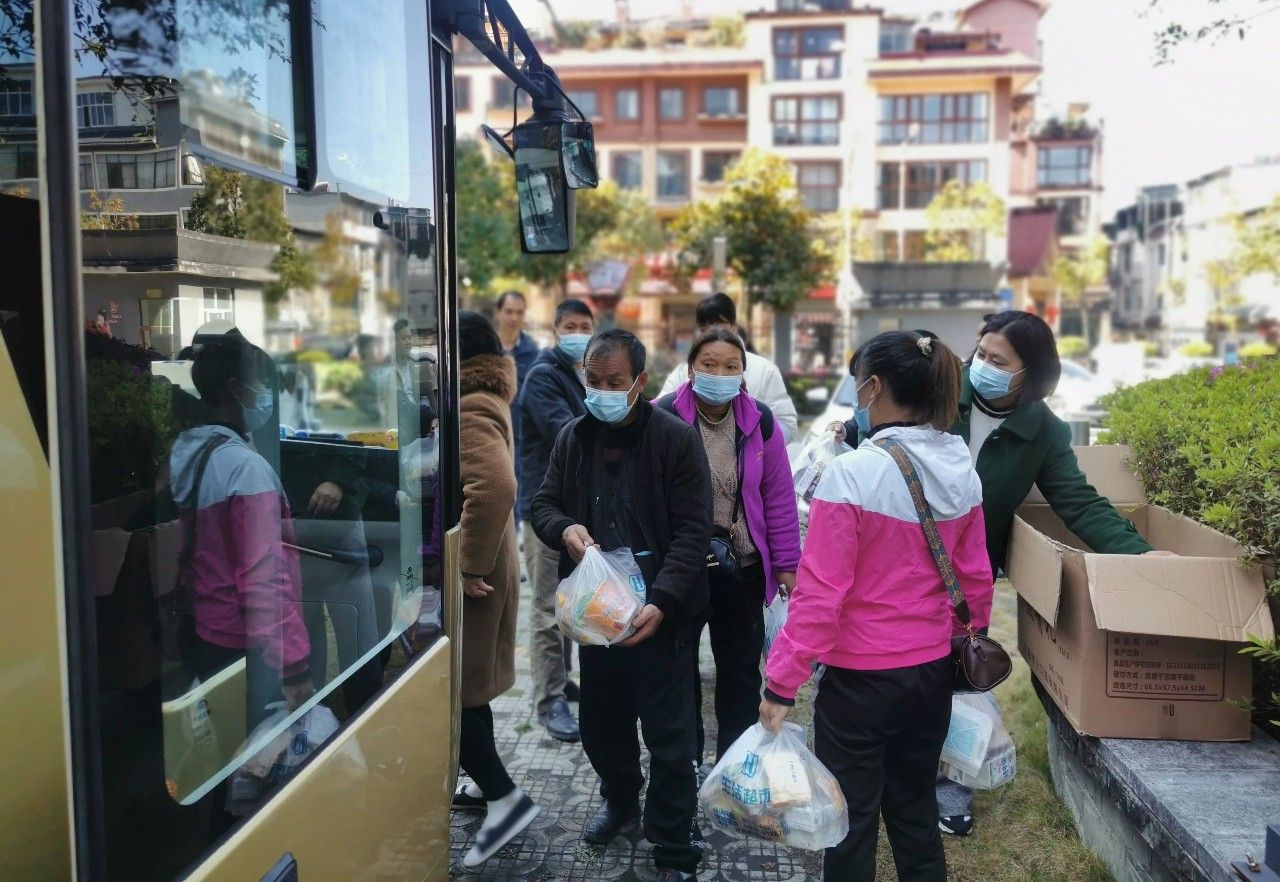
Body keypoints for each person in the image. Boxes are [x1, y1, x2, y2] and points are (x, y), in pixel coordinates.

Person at [831, 311, 1162, 836]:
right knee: (890, 677)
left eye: (998, 361)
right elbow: (882, 427)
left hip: (967, 575)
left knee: (960, 679)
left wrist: (1143, 560)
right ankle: (883, 777)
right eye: (980, 353)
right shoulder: (942, 389)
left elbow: (1078, 502)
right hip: (897, 562)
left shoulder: (1043, 431)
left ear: (1030, 373)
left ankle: (951, 785)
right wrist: (849, 431)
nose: (981, 365)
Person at [760, 331, 993, 882]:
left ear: (874, 387)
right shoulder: (962, 468)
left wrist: (781, 684)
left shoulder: (852, 474)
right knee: (915, 812)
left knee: (851, 822)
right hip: (930, 673)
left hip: (859, 683)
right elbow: (976, 581)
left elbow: (820, 595)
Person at [531, 329, 712, 882]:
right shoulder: (573, 438)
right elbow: (543, 504)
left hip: (661, 614)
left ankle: (673, 841)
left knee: (671, 736)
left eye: (615, 382)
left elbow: (693, 531)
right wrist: (565, 529)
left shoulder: (676, 440)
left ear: (640, 383)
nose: (603, 392)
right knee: (602, 727)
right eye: (594, 381)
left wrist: (663, 600)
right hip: (597, 614)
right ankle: (620, 798)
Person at [654, 327, 801, 762]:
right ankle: (685, 764)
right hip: (681, 568)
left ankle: (734, 766)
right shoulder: (661, 417)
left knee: (740, 674)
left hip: (743, 567)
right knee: (679, 672)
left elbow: (778, 496)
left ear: (743, 373)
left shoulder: (760, 421)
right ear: (690, 369)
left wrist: (788, 564)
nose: (720, 374)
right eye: (709, 364)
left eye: (731, 366)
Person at [169, 335, 313, 729]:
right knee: (259, 751)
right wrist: (294, 666)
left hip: (205, 629)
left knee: (224, 741)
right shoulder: (244, 468)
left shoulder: (186, 450)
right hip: (246, 645)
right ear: (236, 389)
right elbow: (263, 577)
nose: (269, 395)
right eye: (263, 383)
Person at [451, 311, 540, 867]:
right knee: (471, 685)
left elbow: (495, 485)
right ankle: (487, 785)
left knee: (457, 692)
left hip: (478, 575)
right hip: (491, 562)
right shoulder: (485, 396)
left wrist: (467, 567)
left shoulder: (468, 406)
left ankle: (506, 798)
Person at [515, 298, 594, 744]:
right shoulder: (543, 376)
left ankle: (562, 680)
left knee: (567, 600)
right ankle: (549, 701)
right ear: (556, 329)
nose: (578, 333)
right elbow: (569, 432)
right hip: (543, 510)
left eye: (585, 326)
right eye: (571, 326)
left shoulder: (583, 374)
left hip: (572, 512)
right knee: (547, 607)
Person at [659, 293, 798, 443]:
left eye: (719, 327)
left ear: (734, 327)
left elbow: (787, 425)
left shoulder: (765, 370)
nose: (713, 334)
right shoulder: (684, 372)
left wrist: (754, 444)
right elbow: (658, 417)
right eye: (705, 330)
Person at [495, 290, 540, 487]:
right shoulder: (487, 348)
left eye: (519, 313)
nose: (514, 318)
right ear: (498, 313)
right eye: (509, 311)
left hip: (523, 439)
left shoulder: (533, 353)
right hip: (493, 433)